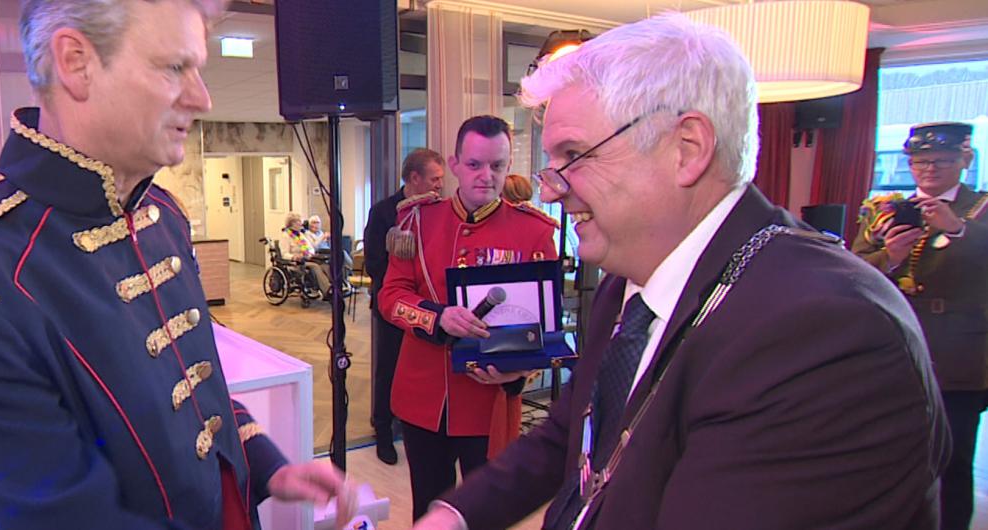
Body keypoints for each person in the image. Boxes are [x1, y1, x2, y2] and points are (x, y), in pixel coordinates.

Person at [413, 14, 948, 530]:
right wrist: (454, 516)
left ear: (687, 150)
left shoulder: (829, 334)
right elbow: (569, 437)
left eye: (573, 155)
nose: (551, 188)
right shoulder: (630, 279)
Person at [0, 1, 348, 528]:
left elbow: (197, 388)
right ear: (75, 62)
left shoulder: (162, 213)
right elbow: (64, 515)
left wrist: (268, 465)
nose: (202, 98)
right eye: (174, 67)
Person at [378, 116, 558, 521]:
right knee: (428, 510)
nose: (486, 176)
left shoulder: (533, 231)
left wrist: (518, 373)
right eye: (475, 165)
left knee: (486, 513)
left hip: (489, 401)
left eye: (497, 165)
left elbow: (544, 328)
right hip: (423, 396)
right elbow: (390, 297)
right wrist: (438, 317)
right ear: (455, 164)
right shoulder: (418, 221)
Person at [852, 121, 986, 530]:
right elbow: (852, 270)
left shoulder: (979, 208)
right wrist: (890, 258)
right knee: (893, 454)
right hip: (894, 350)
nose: (930, 169)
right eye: (920, 161)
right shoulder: (885, 209)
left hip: (958, 356)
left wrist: (958, 229)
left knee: (953, 458)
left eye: (941, 160)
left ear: (963, 160)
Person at [363, 147, 445, 465]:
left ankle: (418, 427)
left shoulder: (440, 212)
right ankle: (383, 431)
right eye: (435, 179)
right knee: (389, 368)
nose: (440, 185)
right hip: (394, 308)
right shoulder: (384, 212)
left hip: (430, 309)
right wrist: (405, 292)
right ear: (414, 178)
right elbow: (375, 263)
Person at [280, 212, 332, 296]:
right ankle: (327, 290)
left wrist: (309, 253)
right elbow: (284, 254)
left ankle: (334, 286)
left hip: (307, 258)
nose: (301, 223)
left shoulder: (300, 235)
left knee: (325, 265)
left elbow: (311, 248)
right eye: (298, 221)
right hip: (296, 262)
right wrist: (294, 257)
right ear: (292, 223)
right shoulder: (286, 236)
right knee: (315, 266)